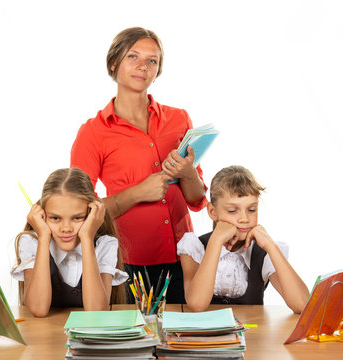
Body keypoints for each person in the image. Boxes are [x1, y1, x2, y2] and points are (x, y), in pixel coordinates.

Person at [70, 27, 207, 304]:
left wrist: (187, 173)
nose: (143, 66)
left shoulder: (179, 119)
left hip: (185, 259)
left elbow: (197, 199)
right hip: (126, 265)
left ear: (158, 70)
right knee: (130, 343)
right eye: (133, 56)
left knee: (181, 341)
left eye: (152, 60)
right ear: (113, 63)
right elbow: (78, 210)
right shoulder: (93, 132)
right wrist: (137, 193)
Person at [178, 165, 309, 313]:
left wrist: (271, 246)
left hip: (252, 334)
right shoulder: (194, 247)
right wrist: (216, 241)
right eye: (233, 211)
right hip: (205, 336)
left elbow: (303, 305)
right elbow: (197, 304)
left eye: (252, 210)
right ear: (212, 211)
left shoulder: (262, 253)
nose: (244, 219)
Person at [11, 168, 128, 317]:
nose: (66, 228)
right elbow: (38, 309)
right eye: (55, 218)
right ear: (42, 215)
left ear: (92, 214)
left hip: (89, 338)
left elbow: (96, 311)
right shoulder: (32, 242)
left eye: (77, 218)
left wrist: (86, 238)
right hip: (45, 338)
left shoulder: (105, 245)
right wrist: (44, 238)